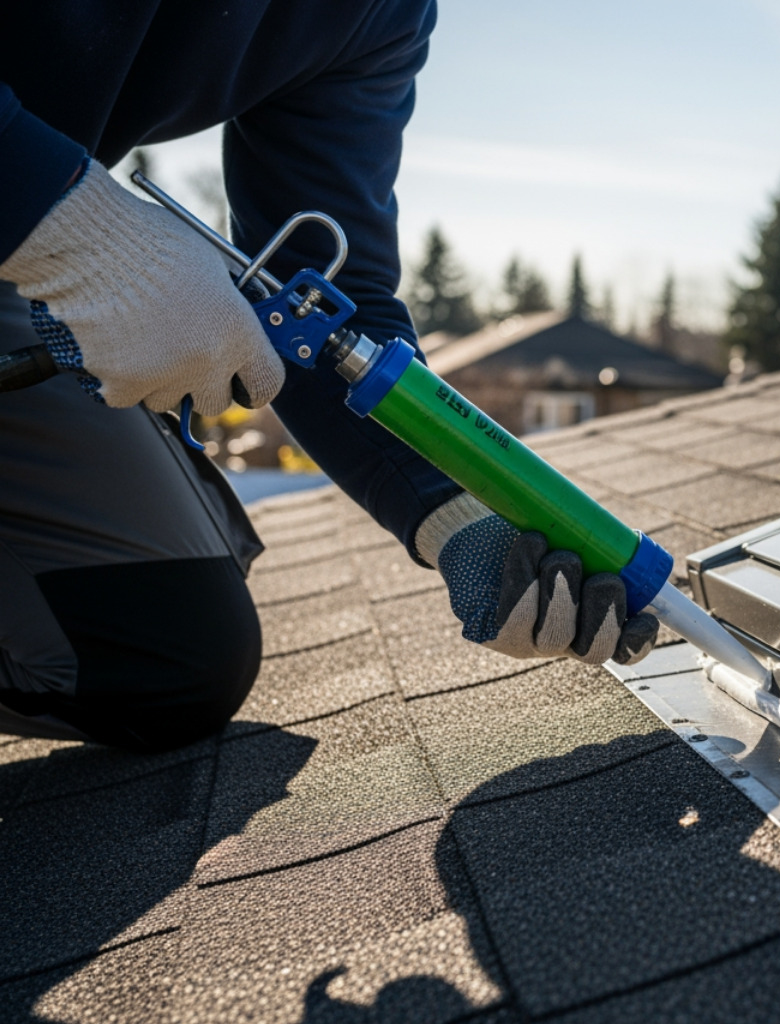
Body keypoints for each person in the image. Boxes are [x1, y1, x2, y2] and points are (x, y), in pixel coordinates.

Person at [0, 1, 658, 750]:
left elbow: (324, 312)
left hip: (20, 249)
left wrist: (454, 509)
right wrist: (73, 233)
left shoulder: (375, 13)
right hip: (35, 227)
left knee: (166, 656)